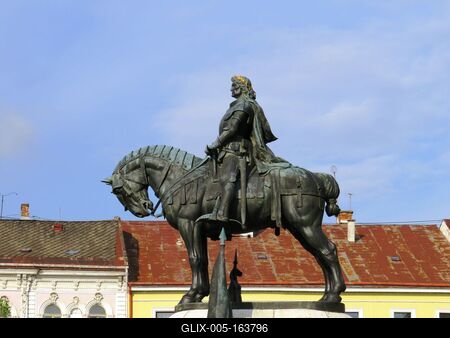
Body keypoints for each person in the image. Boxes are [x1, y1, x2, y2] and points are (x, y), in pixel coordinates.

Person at [202, 75, 282, 224]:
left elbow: (232, 129)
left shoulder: (243, 105)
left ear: (241, 87)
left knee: (228, 178)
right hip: (227, 150)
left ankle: (222, 213)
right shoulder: (236, 105)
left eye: (234, 85)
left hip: (237, 151)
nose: (231, 88)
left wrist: (216, 143)